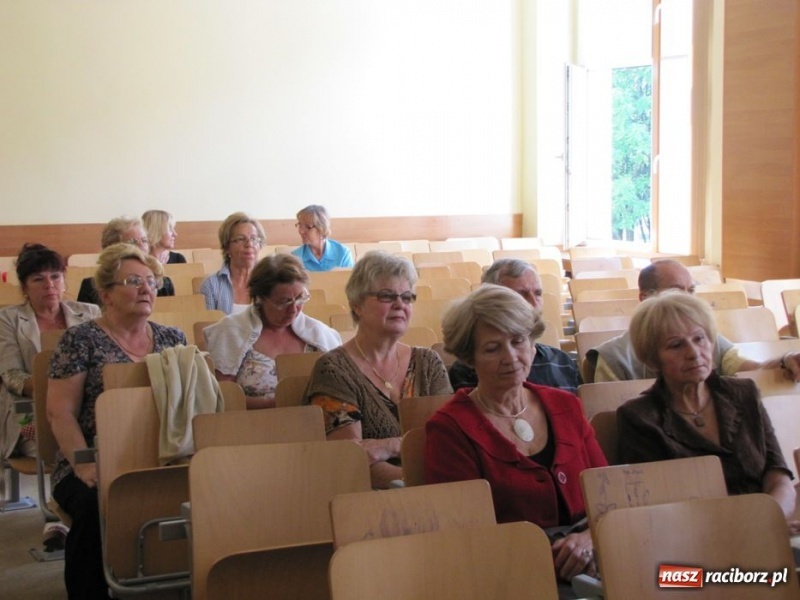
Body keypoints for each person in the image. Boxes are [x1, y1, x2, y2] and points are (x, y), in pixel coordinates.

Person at [425, 285, 607, 591]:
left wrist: (590, 539)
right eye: (492, 348)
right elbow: (464, 536)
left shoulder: (566, 405)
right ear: (470, 358)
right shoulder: (450, 429)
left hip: (595, 556)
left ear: (532, 343)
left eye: (518, 341)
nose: (510, 357)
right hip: (511, 575)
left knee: (674, 583)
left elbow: (608, 493)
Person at [47, 243, 187, 599]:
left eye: (151, 281)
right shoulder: (80, 340)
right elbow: (60, 412)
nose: (146, 289)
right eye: (133, 281)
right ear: (106, 294)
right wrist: (84, 465)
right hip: (91, 460)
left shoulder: (173, 339)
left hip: (160, 457)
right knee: (92, 505)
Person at [617, 291, 796, 521]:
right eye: (676, 345)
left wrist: (771, 519)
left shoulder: (744, 393)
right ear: (653, 360)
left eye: (699, 338)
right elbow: (655, 509)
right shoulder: (639, 418)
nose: (693, 353)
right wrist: (748, 528)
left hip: (768, 521)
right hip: (693, 535)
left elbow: (778, 475)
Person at [304, 251, 451, 489]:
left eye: (407, 297)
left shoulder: (428, 363)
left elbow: (449, 441)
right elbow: (351, 460)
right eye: (387, 296)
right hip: (372, 497)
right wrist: (416, 481)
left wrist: (389, 446)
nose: (400, 304)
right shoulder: (333, 370)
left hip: (439, 487)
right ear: (357, 305)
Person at [0, 244, 100, 551]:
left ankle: (77, 516)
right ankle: (63, 512)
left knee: (100, 435)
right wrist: (57, 390)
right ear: (24, 287)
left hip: (86, 409)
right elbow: (10, 375)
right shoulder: (8, 319)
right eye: (38, 279)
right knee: (60, 440)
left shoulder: (89, 313)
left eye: (55, 276)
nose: (49, 285)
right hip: (29, 413)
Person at [587, 259, 800, 382]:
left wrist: (785, 360)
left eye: (691, 291)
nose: (688, 300)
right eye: (676, 291)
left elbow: (749, 370)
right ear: (645, 298)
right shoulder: (614, 358)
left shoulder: (705, 338)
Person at [205, 254, 342, 409]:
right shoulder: (230, 332)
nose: (293, 309)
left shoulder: (320, 334)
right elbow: (223, 398)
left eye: (299, 298)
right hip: (253, 421)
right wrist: (277, 405)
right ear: (261, 298)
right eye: (284, 302)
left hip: (316, 419)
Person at [449, 259, 580, 393]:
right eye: (520, 295)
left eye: (537, 293)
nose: (534, 304)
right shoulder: (467, 370)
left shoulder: (562, 361)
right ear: (490, 302)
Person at [77, 216, 175, 304]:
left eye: (144, 241)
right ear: (112, 248)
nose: (141, 247)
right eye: (132, 242)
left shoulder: (164, 285)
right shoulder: (92, 287)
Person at [200, 212, 266, 315]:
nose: (249, 244)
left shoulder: (271, 281)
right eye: (241, 239)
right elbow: (208, 324)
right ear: (227, 247)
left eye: (254, 239)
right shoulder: (211, 285)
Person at [291, 205, 354, 272]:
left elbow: (351, 278)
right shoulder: (295, 258)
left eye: (307, 227)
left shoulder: (343, 253)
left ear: (321, 229)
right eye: (300, 225)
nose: (301, 231)